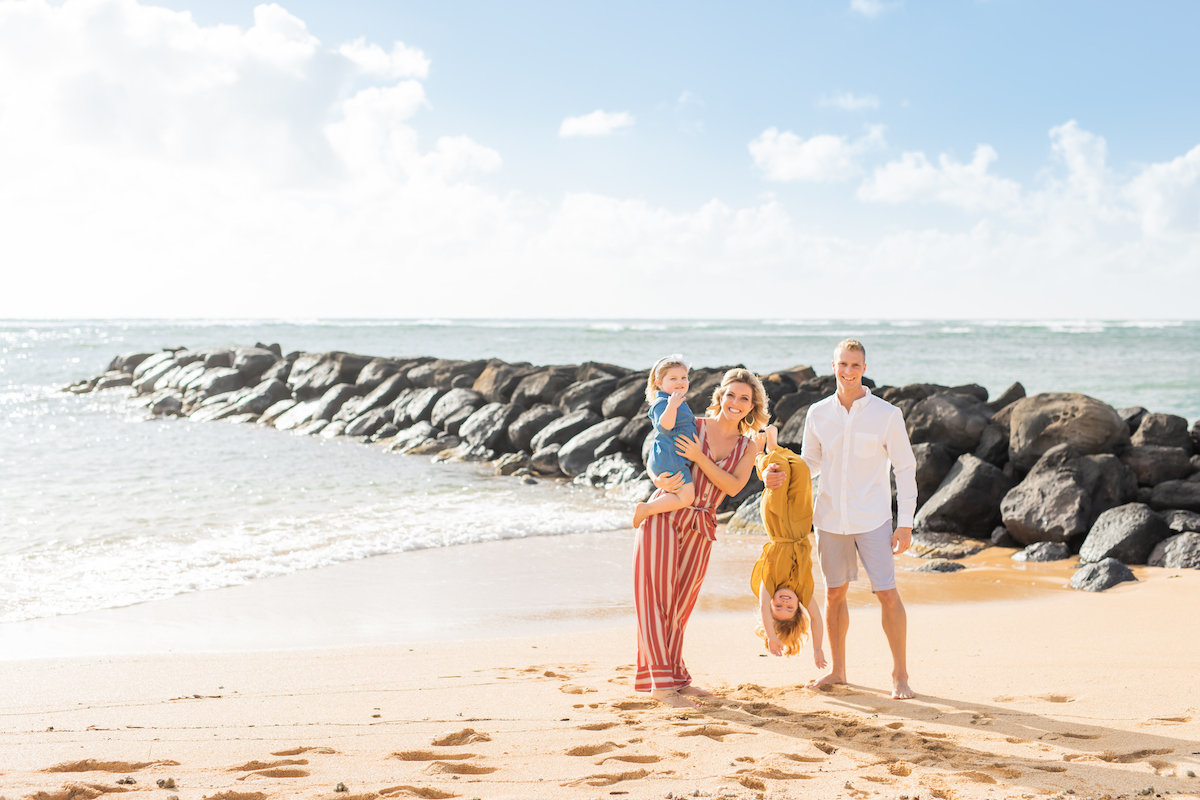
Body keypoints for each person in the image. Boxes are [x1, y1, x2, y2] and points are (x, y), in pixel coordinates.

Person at [763, 338, 917, 699]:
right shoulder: (818, 413)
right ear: (833, 366)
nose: (848, 372)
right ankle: (838, 670)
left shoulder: (886, 415)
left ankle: (900, 674)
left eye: (855, 365)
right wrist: (780, 471)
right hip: (830, 519)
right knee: (834, 595)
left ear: (864, 369)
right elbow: (810, 464)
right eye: (842, 364)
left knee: (887, 595)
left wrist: (905, 522)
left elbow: (905, 467)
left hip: (874, 519)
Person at [633, 367, 768, 708]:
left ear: (752, 406)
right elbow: (657, 452)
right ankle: (661, 685)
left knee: (680, 606)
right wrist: (656, 479)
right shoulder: (691, 424)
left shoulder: (747, 446)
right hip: (664, 514)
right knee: (656, 599)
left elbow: (734, 486)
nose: (735, 403)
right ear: (719, 396)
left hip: (702, 523)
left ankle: (676, 678)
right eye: (730, 395)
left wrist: (699, 458)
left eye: (744, 399)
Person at [750, 424, 826, 669]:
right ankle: (772, 446)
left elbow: (762, 605)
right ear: (798, 608)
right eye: (789, 607)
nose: (783, 601)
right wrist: (817, 649)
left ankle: (760, 454)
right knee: (801, 469)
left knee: (776, 471)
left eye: (778, 606)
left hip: (777, 523)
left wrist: (771, 636)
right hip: (802, 525)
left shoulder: (769, 584)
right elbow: (816, 617)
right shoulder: (803, 589)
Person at [632, 355, 696, 529]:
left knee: (678, 493)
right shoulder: (663, 402)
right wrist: (672, 406)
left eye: (684, 378)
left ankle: (661, 519)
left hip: (670, 455)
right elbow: (664, 426)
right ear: (659, 383)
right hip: (671, 457)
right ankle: (647, 509)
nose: (680, 381)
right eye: (673, 378)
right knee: (686, 497)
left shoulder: (675, 400)